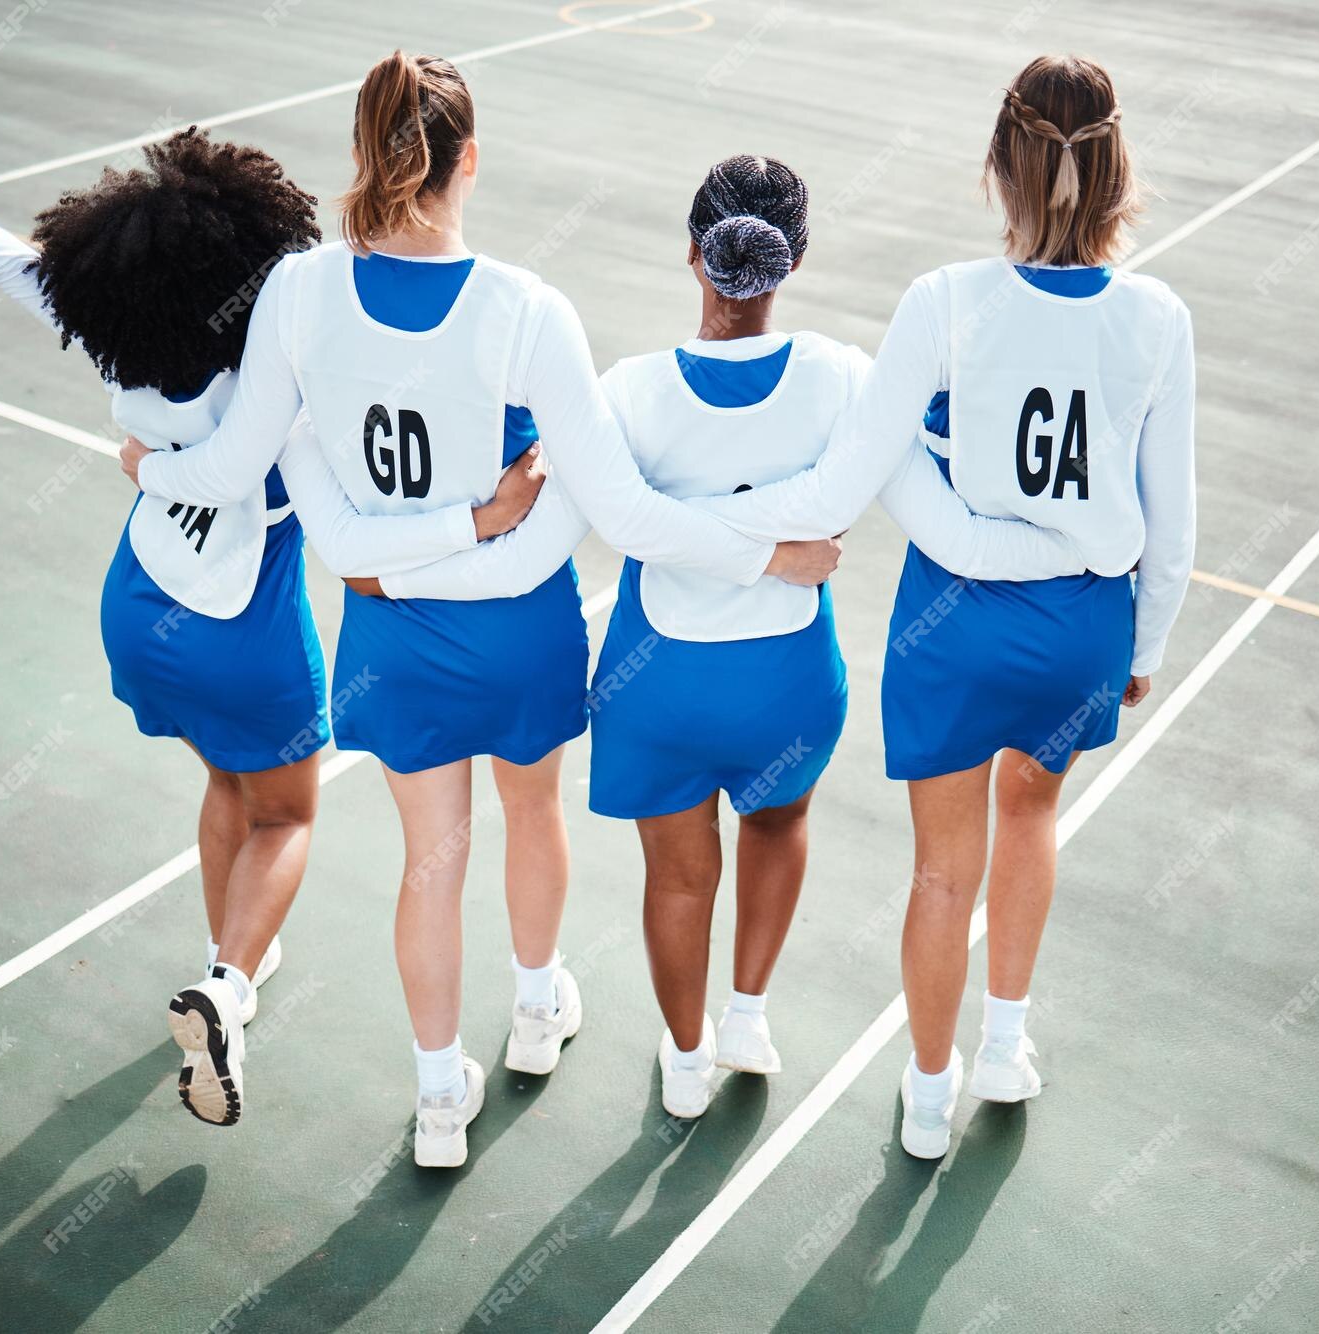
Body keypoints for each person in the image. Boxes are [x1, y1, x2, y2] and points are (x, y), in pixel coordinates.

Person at [0, 127, 544, 1128]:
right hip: (244, 634)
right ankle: (227, 987)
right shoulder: (281, 375)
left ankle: (238, 951)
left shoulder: (113, 335)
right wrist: (478, 522)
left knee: (230, 777)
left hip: (138, 610)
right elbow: (360, 515)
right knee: (287, 813)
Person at [124, 53, 841, 1166]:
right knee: (533, 813)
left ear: (365, 153)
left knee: (429, 862)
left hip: (393, 637)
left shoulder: (299, 292)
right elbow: (616, 513)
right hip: (519, 624)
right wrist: (767, 553)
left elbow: (231, 470)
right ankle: (537, 1006)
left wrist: (144, 465)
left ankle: (434, 1101)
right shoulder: (527, 308)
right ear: (467, 160)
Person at [381, 154, 1082, 1120]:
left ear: (691, 254)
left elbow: (557, 541)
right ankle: (748, 1011)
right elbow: (927, 498)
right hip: (787, 678)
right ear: (791, 261)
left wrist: (399, 562)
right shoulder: (844, 378)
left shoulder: (625, 391)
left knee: (676, 875)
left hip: (656, 680)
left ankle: (683, 1055)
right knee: (779, 825)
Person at [689, 56, 1196, 1158]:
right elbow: (1175, 517)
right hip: (1080, 624)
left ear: (998, 169)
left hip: (951, 627)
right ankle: (1005, 1041)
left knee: (937, 866)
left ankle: (927, 1092)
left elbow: (843, 484)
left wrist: (698, 512)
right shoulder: (1157, 315)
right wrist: (1142, 646)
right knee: (1032, 814)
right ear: (1116, 171)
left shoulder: (946, 301)